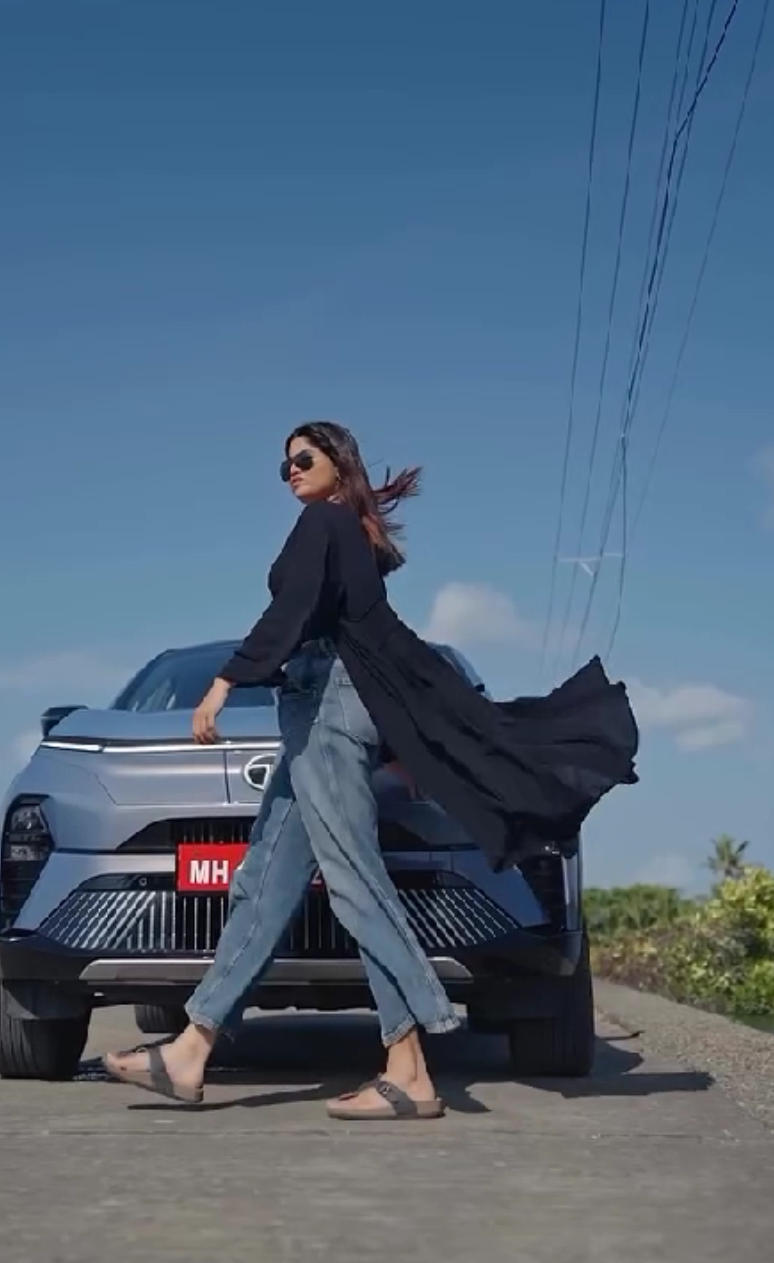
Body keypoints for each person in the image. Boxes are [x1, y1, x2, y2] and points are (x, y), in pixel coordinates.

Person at [104, 422, 638, 1119]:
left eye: (304, 458)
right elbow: (377, 652)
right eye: (284, 466)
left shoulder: (323, 523)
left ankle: (411, 1064)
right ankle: (191, 1050)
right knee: (263, 884)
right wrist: (392, 743)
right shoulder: (351, 535)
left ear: (338, 462)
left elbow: (293, 608)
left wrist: (226, 681)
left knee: (354, 882)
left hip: (322, 713)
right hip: (320, 713)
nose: (292, 472)